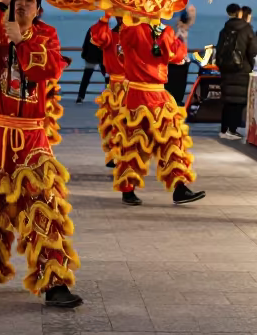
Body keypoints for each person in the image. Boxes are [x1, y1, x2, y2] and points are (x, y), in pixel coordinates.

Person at [0, 0, 82, 308]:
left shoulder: (46, 35)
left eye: (30, 0)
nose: (23, 3)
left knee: (42, 205)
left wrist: (22, 41)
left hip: (31, 136)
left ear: (38, 10)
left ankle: (54, 282)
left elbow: (51, 68)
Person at [94, 17, 205, 206]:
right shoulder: (159, 31)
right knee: (157, 141)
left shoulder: (131, 30)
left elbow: (124, 56)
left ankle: (169, 187)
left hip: (143, 94)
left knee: (146, 142)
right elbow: (178, 55)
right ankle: (169, 186)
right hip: (147, 93)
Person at [215, 3, 257, 139]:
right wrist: (250, 64)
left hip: (226, 70)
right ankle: (232, 130)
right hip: (241, 69)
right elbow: (253, 49)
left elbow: (219, 49)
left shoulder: (225, 29)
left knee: (228, 100)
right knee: (238, 101)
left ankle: (224, 129)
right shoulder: (246, 29)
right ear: (240, 13)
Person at [89, 15, 125, 169]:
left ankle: (127, 155)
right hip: (115, 85)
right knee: (111, 121)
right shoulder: (109, 35)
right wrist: (105, 17)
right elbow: (97, 36)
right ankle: (112, 155)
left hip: (134, 85)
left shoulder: (138, 34)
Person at [167, 6, 196, 105]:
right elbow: (190, 21)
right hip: (181, 60)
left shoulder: (173, 27)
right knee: (178, 87)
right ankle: (176, 101)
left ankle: (172, 101)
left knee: (171, 86)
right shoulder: (183, 28)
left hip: (172, 60)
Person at [76, 23, 106, 103]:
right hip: (102, 57)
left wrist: (84, 54)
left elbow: (86, 43)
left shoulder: (91, 29)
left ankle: (80, 97)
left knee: (86, 78)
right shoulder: (107, 31)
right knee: (107, 77)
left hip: (91, 57)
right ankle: (108, 96)